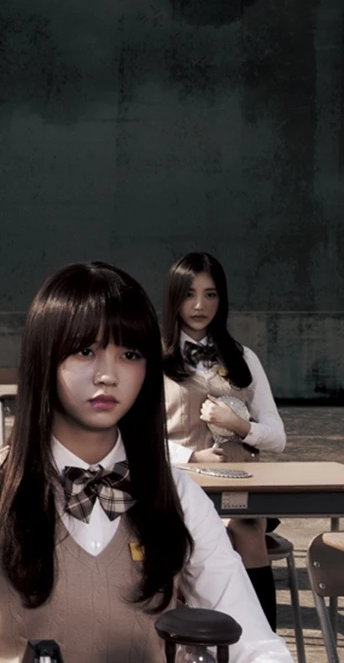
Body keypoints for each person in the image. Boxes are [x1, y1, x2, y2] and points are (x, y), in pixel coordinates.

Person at [0, 262, 290, 662]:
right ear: (45, 358)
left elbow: (253, 640)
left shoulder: (177, 494)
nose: (108, 376)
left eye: (129, 354)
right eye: (85, 351)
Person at [162, 251, 287, 628]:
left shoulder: (244, 358)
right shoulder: (152, 359)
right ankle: (186, 638)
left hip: (238, 488)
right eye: (189, 294)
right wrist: (191, 457)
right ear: (174, 299)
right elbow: (137, 436)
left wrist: (240, 426)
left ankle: (262, 639)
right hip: (178, 484)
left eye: (210, 294)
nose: (200, 305)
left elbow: (277, 438)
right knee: (189, 540)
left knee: (245, 530)